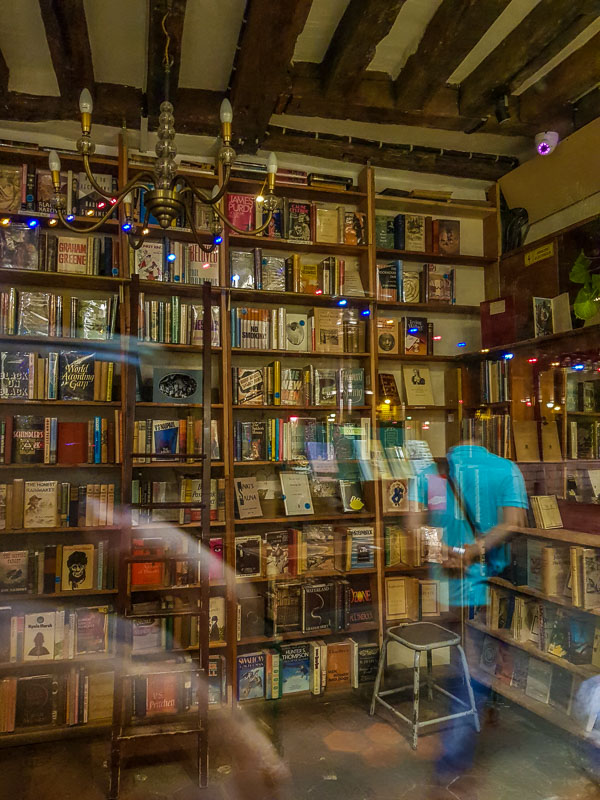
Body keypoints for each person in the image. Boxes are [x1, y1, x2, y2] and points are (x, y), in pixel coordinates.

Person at [409, 439, 528, 785]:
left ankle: (464, 737)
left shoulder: (436, 473)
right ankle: (456, 751)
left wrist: (443, 550)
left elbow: (418, 523)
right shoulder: (506, 468)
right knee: (475, 660)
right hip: (491, 584)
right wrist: (475, 549)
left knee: (463, 657)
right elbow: (513, 524)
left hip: (447, 585)